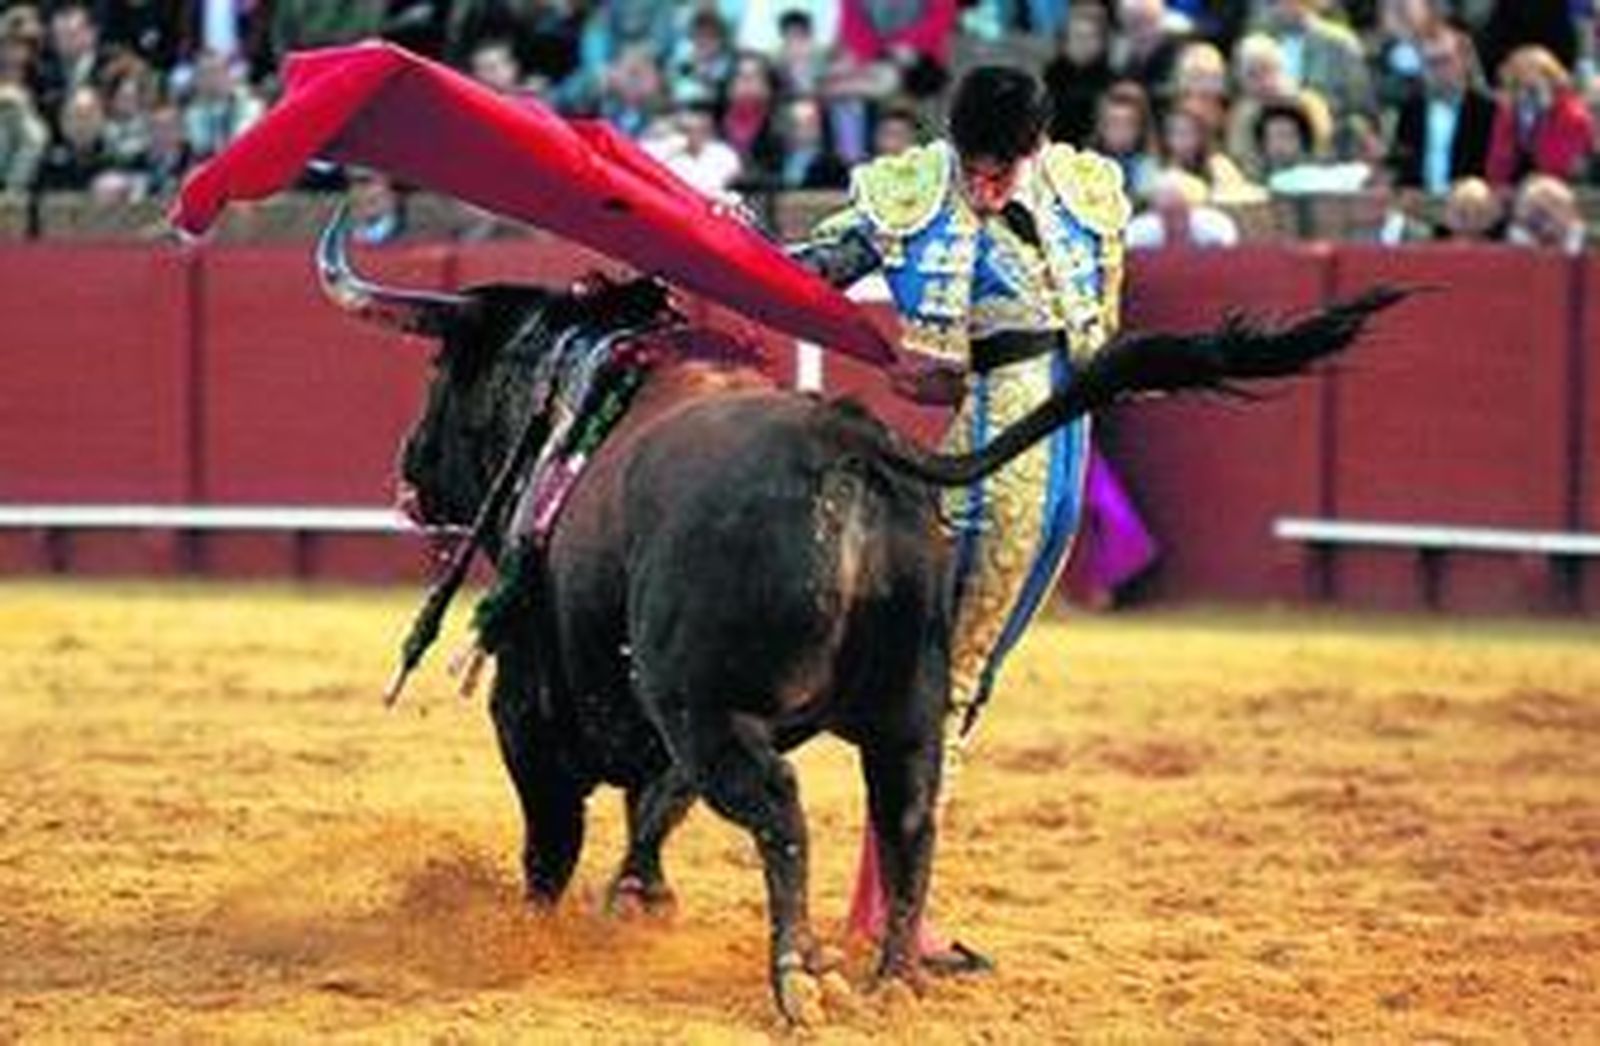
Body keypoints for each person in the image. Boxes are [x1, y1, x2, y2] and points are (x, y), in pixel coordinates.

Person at [791, 65, 1129, 971]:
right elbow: (804, 271)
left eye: (1003, 165)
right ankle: (888, 915)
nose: (985, 185)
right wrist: (709, 246)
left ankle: (885, 906)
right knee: (947, 684)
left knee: (964, 684)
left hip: (1060, 435)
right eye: (972, 164)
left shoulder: (1082, 186)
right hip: (997, 446)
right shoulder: (910, 190)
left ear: (1038, 144)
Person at [1390, 27, 1496, 194]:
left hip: (1470, 202)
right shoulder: (1411, 110)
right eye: (1430, 63)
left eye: (1445, 61)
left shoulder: (1488, 110)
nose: (1438, 71)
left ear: (1464, 61)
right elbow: (1403, 164)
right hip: (1418, 203)